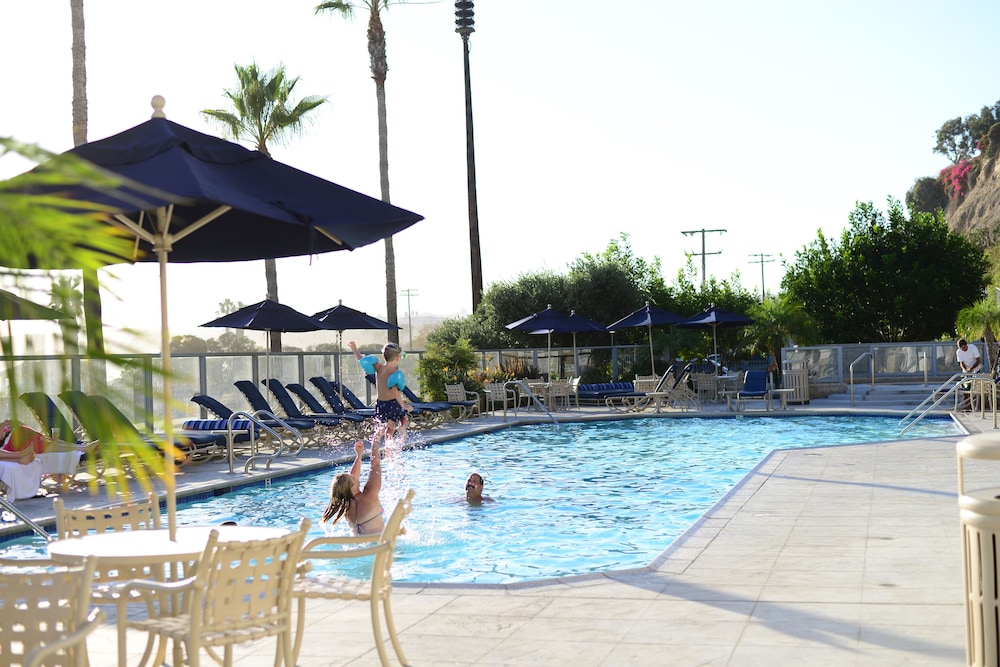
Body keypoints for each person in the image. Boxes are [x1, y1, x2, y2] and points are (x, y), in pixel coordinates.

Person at [349, 340, 413, 442]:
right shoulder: (393, 372)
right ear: (397, 358)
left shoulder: (379, 368)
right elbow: (394, 390)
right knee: (402, 419)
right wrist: (403, 405)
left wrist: (355, 349)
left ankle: (377, 444)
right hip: (393, 404)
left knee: (382, 427)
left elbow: (363, 361)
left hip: (380, 404)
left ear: (384, 356)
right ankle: (402, 429)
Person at [321, 440, 385, 535]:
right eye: (353, 478)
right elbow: (375, 464)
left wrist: (359, 456)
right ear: (351, 488)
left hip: (357, 542)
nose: (355, 476)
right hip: (379, 542)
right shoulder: (369, 495)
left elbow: (349, 481)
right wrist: (375, 442)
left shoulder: (346, 505)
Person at [957, 339, 985, 410]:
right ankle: (967, 406)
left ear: (966, 345)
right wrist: (966, 369)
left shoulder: (973, 347)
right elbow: (961, 363)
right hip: (966, 372)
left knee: (974, 389)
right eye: (961, 348)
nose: (963, 350)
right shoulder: (959, 352)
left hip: (976, 370)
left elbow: (978, 360)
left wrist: (972, 368)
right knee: (965, 389)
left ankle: (975, 406)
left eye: (964, 348)